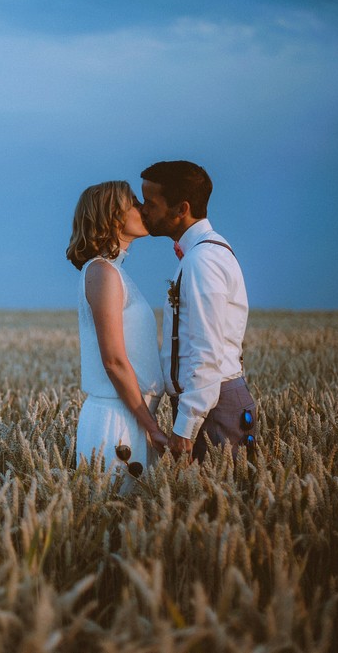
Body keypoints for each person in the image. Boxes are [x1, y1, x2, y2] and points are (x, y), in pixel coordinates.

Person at [139, 161, 256, 463]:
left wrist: (186, 426)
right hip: (207, 402)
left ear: (181, 209)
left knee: (228, 503)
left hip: (215, 406)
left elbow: (207, 350)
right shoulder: (200, 254)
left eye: (150, 203)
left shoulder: (202, 260)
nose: (143, 210)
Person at [66, 181, 168, 488]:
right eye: (134, 203)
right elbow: (113, 361)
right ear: (113, 216)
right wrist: (153, 428)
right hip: (117, 422)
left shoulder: (113, 272)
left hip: (132, 418)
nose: (143, 208)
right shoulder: (102, 272)